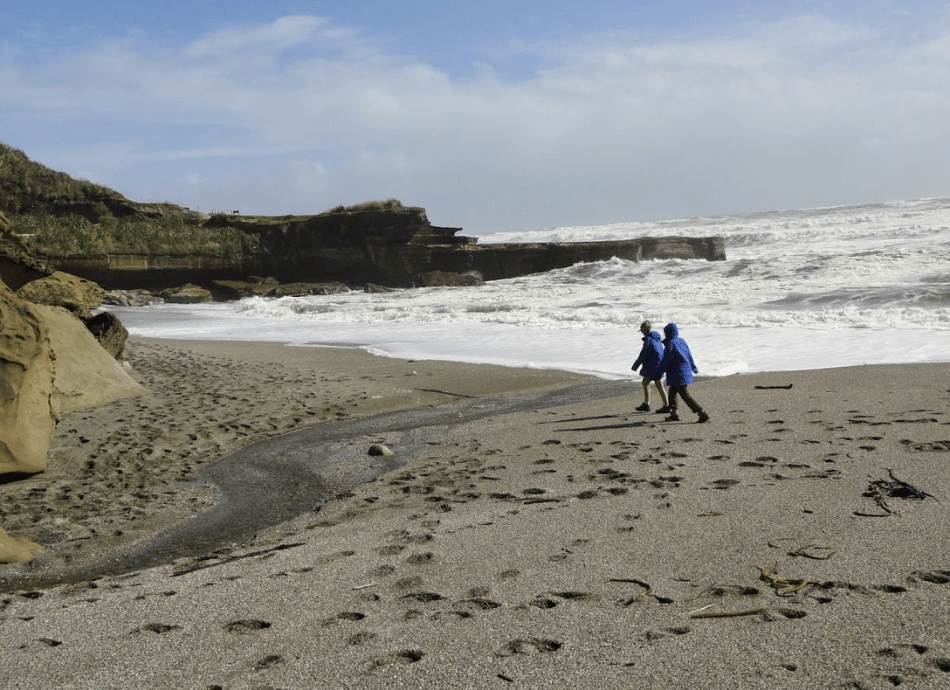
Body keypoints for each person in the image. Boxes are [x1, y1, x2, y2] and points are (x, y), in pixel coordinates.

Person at [658, 323, 709, 423]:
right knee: (672, 392)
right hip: (685, 372)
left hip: (677, 373)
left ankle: (702, 413)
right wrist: (693, 367)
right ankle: (674, 414)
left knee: (685, 395)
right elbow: (689, 354)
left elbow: (666, 359)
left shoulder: (670, 343)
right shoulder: (681, 341)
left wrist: (659, 370)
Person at [631, 320, 670, 413]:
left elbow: (643, 354)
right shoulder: (657, 339)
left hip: (652, 366)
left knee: (645, 383)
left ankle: (646, 404)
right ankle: (666, 405)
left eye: (641, 330)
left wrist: (635, 366)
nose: (641, 333)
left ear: (644, 330)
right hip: (659, 365)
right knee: (659, 385)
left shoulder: (648, 340)